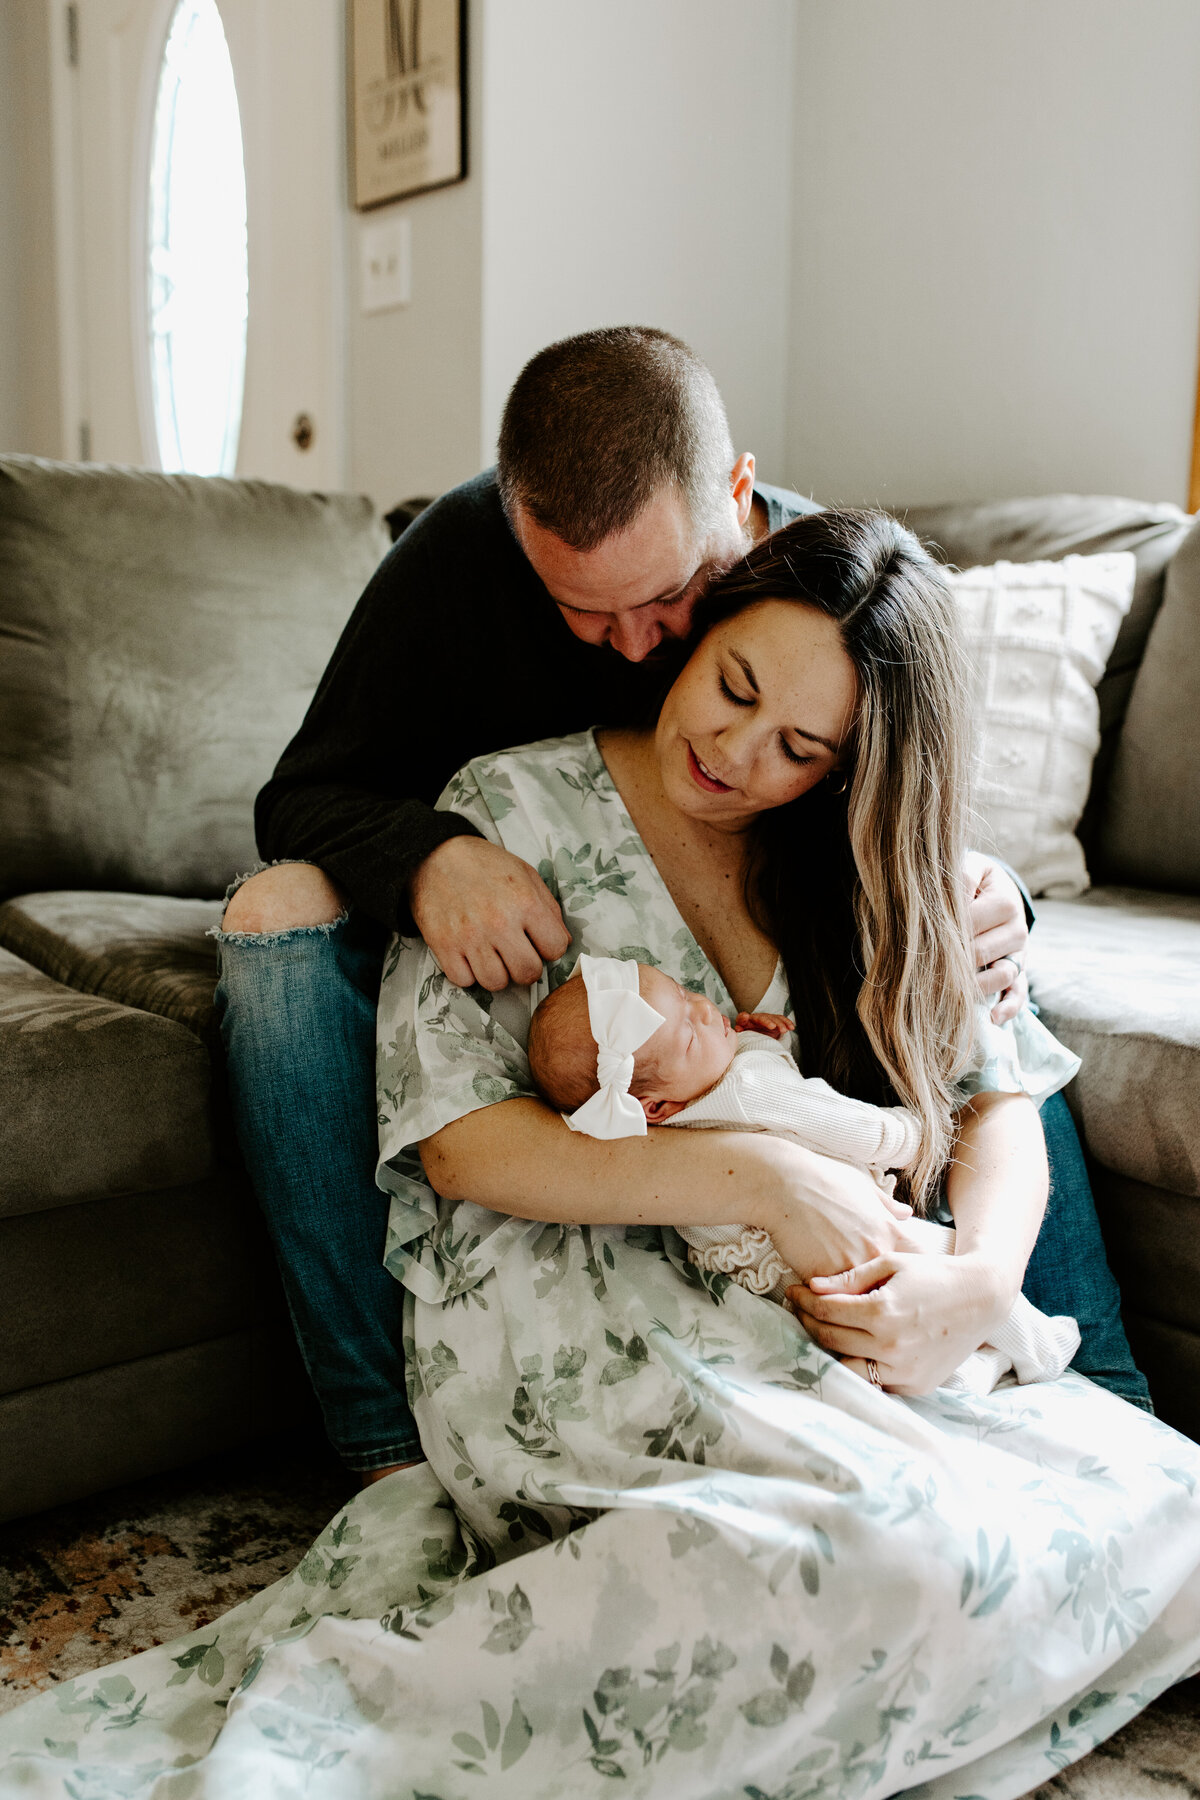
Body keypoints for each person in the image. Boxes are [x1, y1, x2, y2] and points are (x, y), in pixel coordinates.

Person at [6, 510, 1192, 1797]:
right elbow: (454, 1140)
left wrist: (975, 1284)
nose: (737, 754)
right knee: (882, 1560)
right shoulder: (505, 805)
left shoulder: (868, 859)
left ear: (855, 767)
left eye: (800, 746)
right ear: (705, 623)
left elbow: (996, 1095)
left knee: (1168, 1500)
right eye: (733, 687)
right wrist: (761, 1175)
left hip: (823, 1324)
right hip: (575, 1298)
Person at [213, 327, 1146, 1482]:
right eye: (583, 612)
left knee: (981, 974)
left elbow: (906, 821)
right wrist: (428, 854)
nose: (639, 647)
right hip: (523, 935)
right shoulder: (467, 558)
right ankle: (378, 1445)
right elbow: (303, 793)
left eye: (669, 599)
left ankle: (1103, 1395)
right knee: (275, 912)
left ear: (740, 503)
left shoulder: (821, 581)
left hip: (765, 1040)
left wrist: (987, 887)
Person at [525, 953, 1080, 1396]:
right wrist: (913, 1135)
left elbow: (750, 1081)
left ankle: (970, 1372)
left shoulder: (678, 1111)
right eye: (690, 1034)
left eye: (688, 995)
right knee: (942, 1261)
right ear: (655, 1108)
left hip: (771, 1270)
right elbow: (835, 1122)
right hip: (829, 1239)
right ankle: (1038, 1343)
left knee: (880, 1342)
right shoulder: (747, 1089)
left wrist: (756, 1041)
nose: (702, 1010)